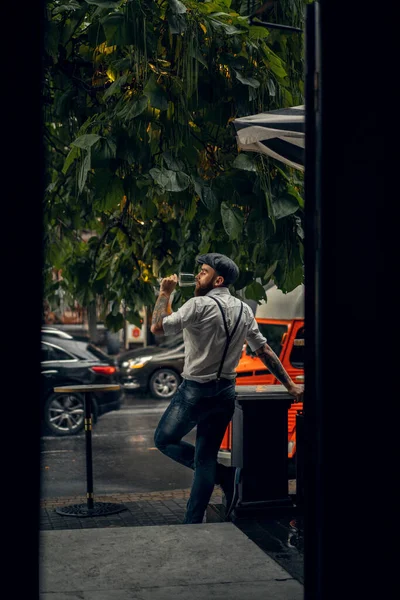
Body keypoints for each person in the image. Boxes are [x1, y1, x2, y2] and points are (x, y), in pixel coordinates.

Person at [151, 252, 304, 524]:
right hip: (225, 392)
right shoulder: (244, 310)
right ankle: (193, 518)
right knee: (205, 457)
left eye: (204, 272)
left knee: (163, 440)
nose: (198, 275)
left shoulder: (197, 305)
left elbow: (157, 327)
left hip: (195, 391)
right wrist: (290, 385)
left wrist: (165, 293)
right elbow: (264, 350)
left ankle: (222, 476)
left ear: (218, 279)